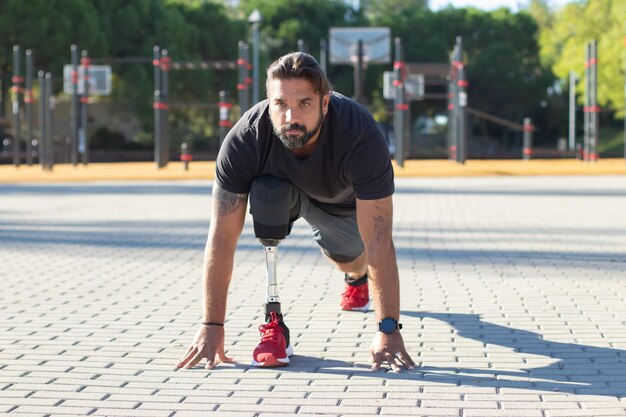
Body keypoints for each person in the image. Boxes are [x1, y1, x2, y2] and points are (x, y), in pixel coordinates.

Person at [176, 52, 415, 372]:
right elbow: (221, 239)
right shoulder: (246, 139)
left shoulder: (360, 135)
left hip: (337, 207)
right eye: (280, 104)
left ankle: (355, 277)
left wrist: (388, 330)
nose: (290, 117)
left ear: (325, 103)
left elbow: (379, 241)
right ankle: (273, 323)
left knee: (351, 257)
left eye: (304, 103)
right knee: (267, 191)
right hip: (280, 194)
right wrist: (211, 325)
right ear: (269, 102)